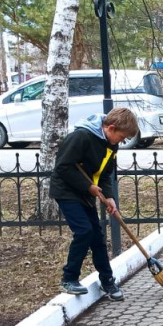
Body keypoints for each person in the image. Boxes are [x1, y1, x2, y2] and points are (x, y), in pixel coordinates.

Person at [49, 108, 139, 301]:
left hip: (85, 192)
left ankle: (107, 280)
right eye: (121, 138)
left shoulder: (109, 144)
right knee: (84, 231)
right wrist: (88, 186)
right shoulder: (81, 137)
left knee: (97, 236)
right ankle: (69, 278)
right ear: (111, 128)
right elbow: (63, 166)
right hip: (66, 190)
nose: (120, 142)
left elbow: (105, 173)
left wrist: (109, 196)